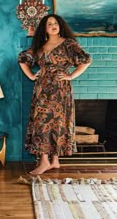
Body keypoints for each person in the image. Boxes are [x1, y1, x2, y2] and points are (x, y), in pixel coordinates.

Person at [18, 14, 92, 175]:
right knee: (42, 122)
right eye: (49, 23)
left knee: (57, 122)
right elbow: (23, 59)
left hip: (60, 89)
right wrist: (31, 76)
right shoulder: (40, 46)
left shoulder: (68, 44)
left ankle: (53, 161)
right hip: (42, 89)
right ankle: (46, 161)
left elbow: (85, 60)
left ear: (60, 26)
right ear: (44, 28)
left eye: (56, 23)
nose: (53, 25)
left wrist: (71, 76)